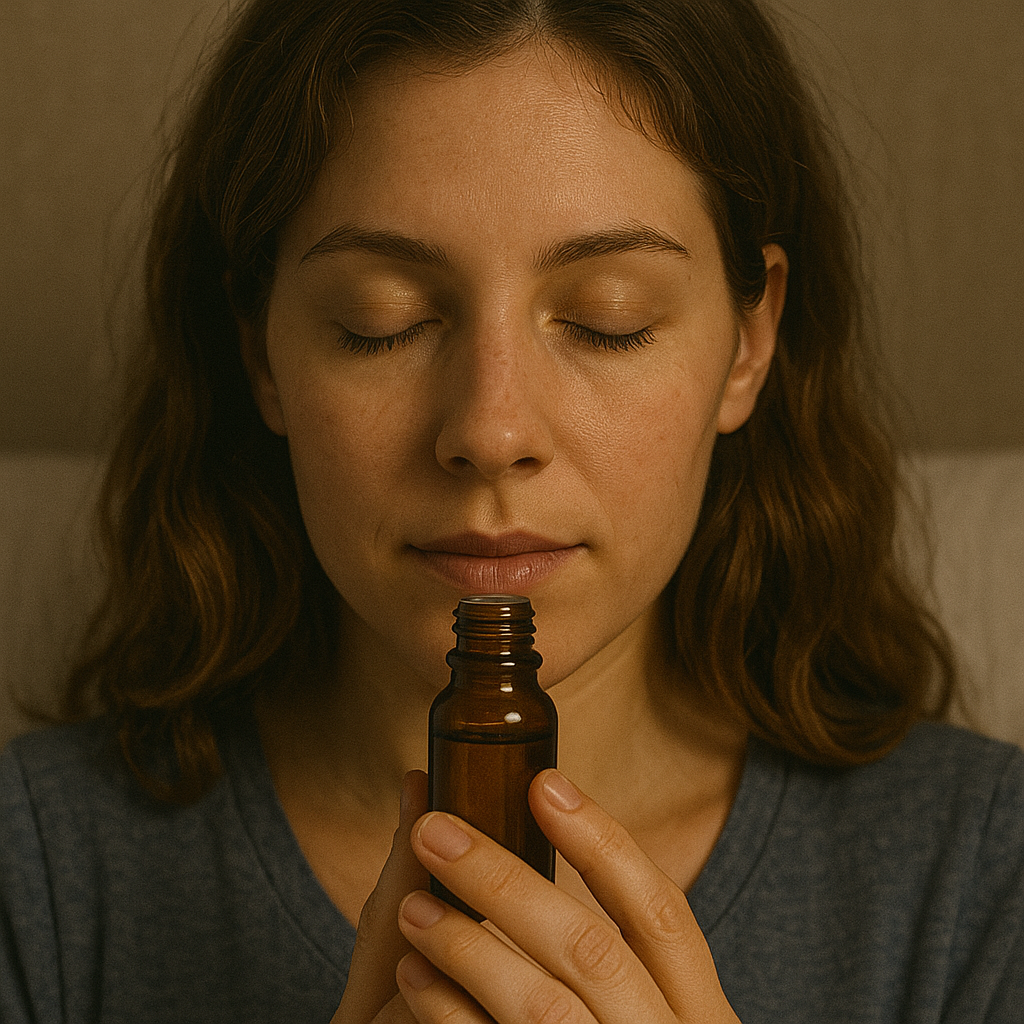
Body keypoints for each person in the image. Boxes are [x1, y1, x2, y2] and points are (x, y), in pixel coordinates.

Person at [2, 0, 1022, 1021]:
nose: (491, 432)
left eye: (604, 320)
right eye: (380, 323)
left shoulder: (981, 873)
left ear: (748, 344)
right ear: (261, 348)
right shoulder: (38, 869)